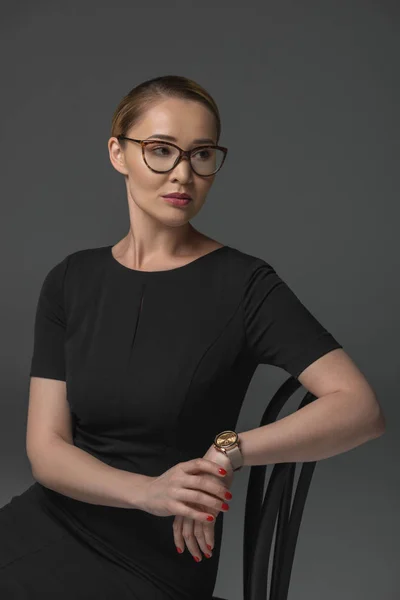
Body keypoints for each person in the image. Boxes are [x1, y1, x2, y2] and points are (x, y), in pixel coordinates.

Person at [0, 74, 380, 600]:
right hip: (51, 521)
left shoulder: (244, 285)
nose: (183, 174)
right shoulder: (70, 281)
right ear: (118, 153)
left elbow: (360, 409)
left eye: (201, 155)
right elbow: (46, 451)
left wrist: (230, 451)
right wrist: (146, 492)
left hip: (154, 560)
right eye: (160, 150)